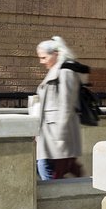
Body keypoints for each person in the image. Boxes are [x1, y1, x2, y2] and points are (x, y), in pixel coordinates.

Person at [32, 35, 84, 179]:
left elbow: (66, 105)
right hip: (47, 132)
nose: (41, 61)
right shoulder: (55, 70)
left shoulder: (66, 71)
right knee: (47, 168)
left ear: (55, 54)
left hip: (57, 134)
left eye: (44, 57)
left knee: (45, 168)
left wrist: (60, 138)